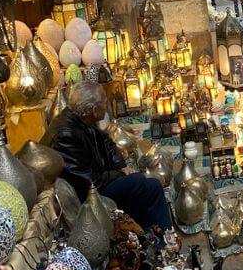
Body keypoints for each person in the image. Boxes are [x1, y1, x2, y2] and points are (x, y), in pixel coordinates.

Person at [43, 82, 172, 232]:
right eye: (104, 101)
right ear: (94, 110)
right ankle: (139, 233)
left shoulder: (81, 116)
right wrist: (120, 173)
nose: (107, 103)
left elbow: (106, 140)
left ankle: (165, 240)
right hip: (87, 195)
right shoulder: (66, 134)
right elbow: (88, 182)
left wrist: (121, 166)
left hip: (97, 179)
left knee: (153, 186)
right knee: (137, 181)